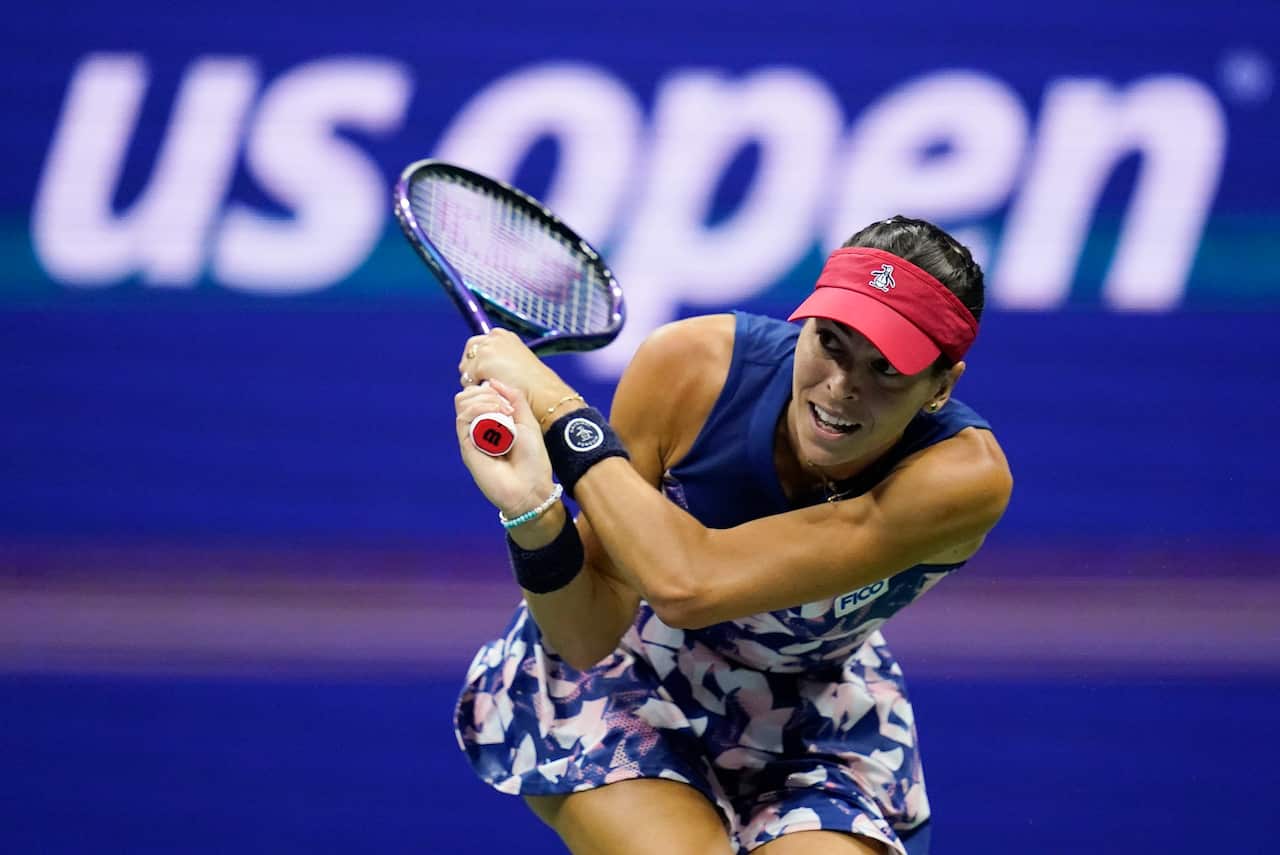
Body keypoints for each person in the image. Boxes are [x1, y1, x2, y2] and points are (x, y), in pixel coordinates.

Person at [450, 215, 1013, 855]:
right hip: (628, 674)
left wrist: (559, 412)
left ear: (943, 385)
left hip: (810, 709)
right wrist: (533, 510)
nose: (842, 387)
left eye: (886, 369)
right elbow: (587, 633)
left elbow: (690, 584)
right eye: (830, 342)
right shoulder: (690, 368)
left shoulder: (962, 479)